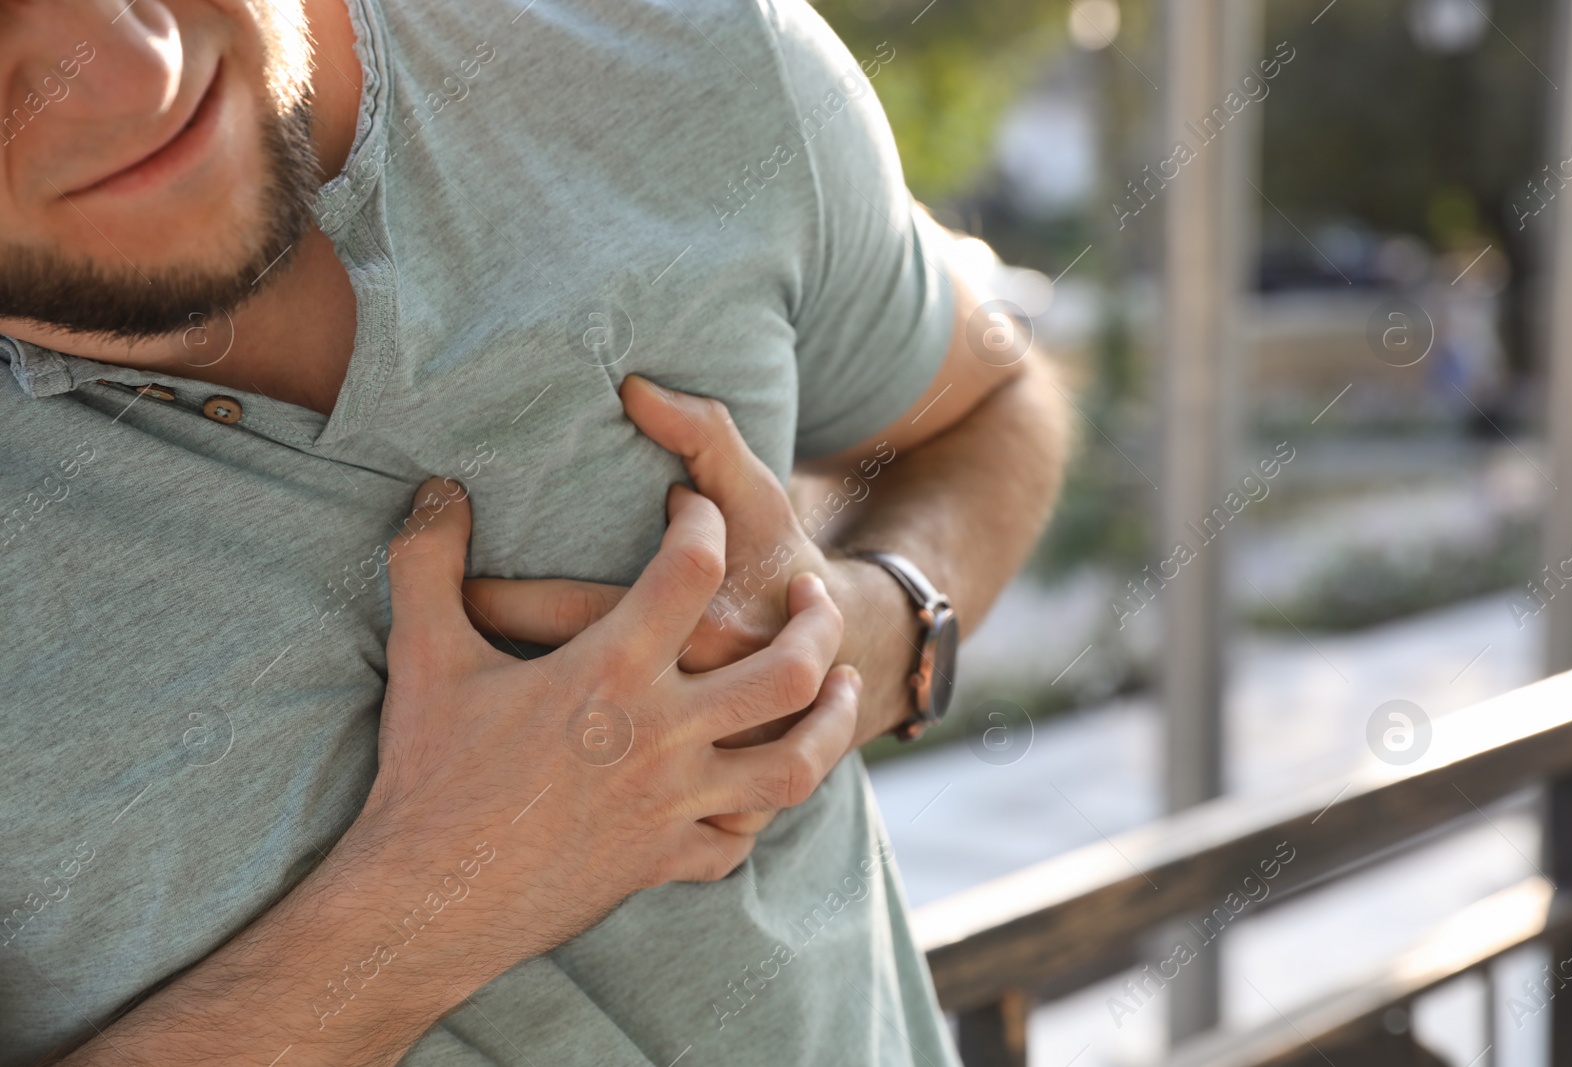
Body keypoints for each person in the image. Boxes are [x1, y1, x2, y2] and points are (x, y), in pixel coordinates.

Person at [0, 0, 1067, 1063]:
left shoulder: (679, 41)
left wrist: (876, 638)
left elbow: (992, 395)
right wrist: (443, 890)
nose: (139, 69)